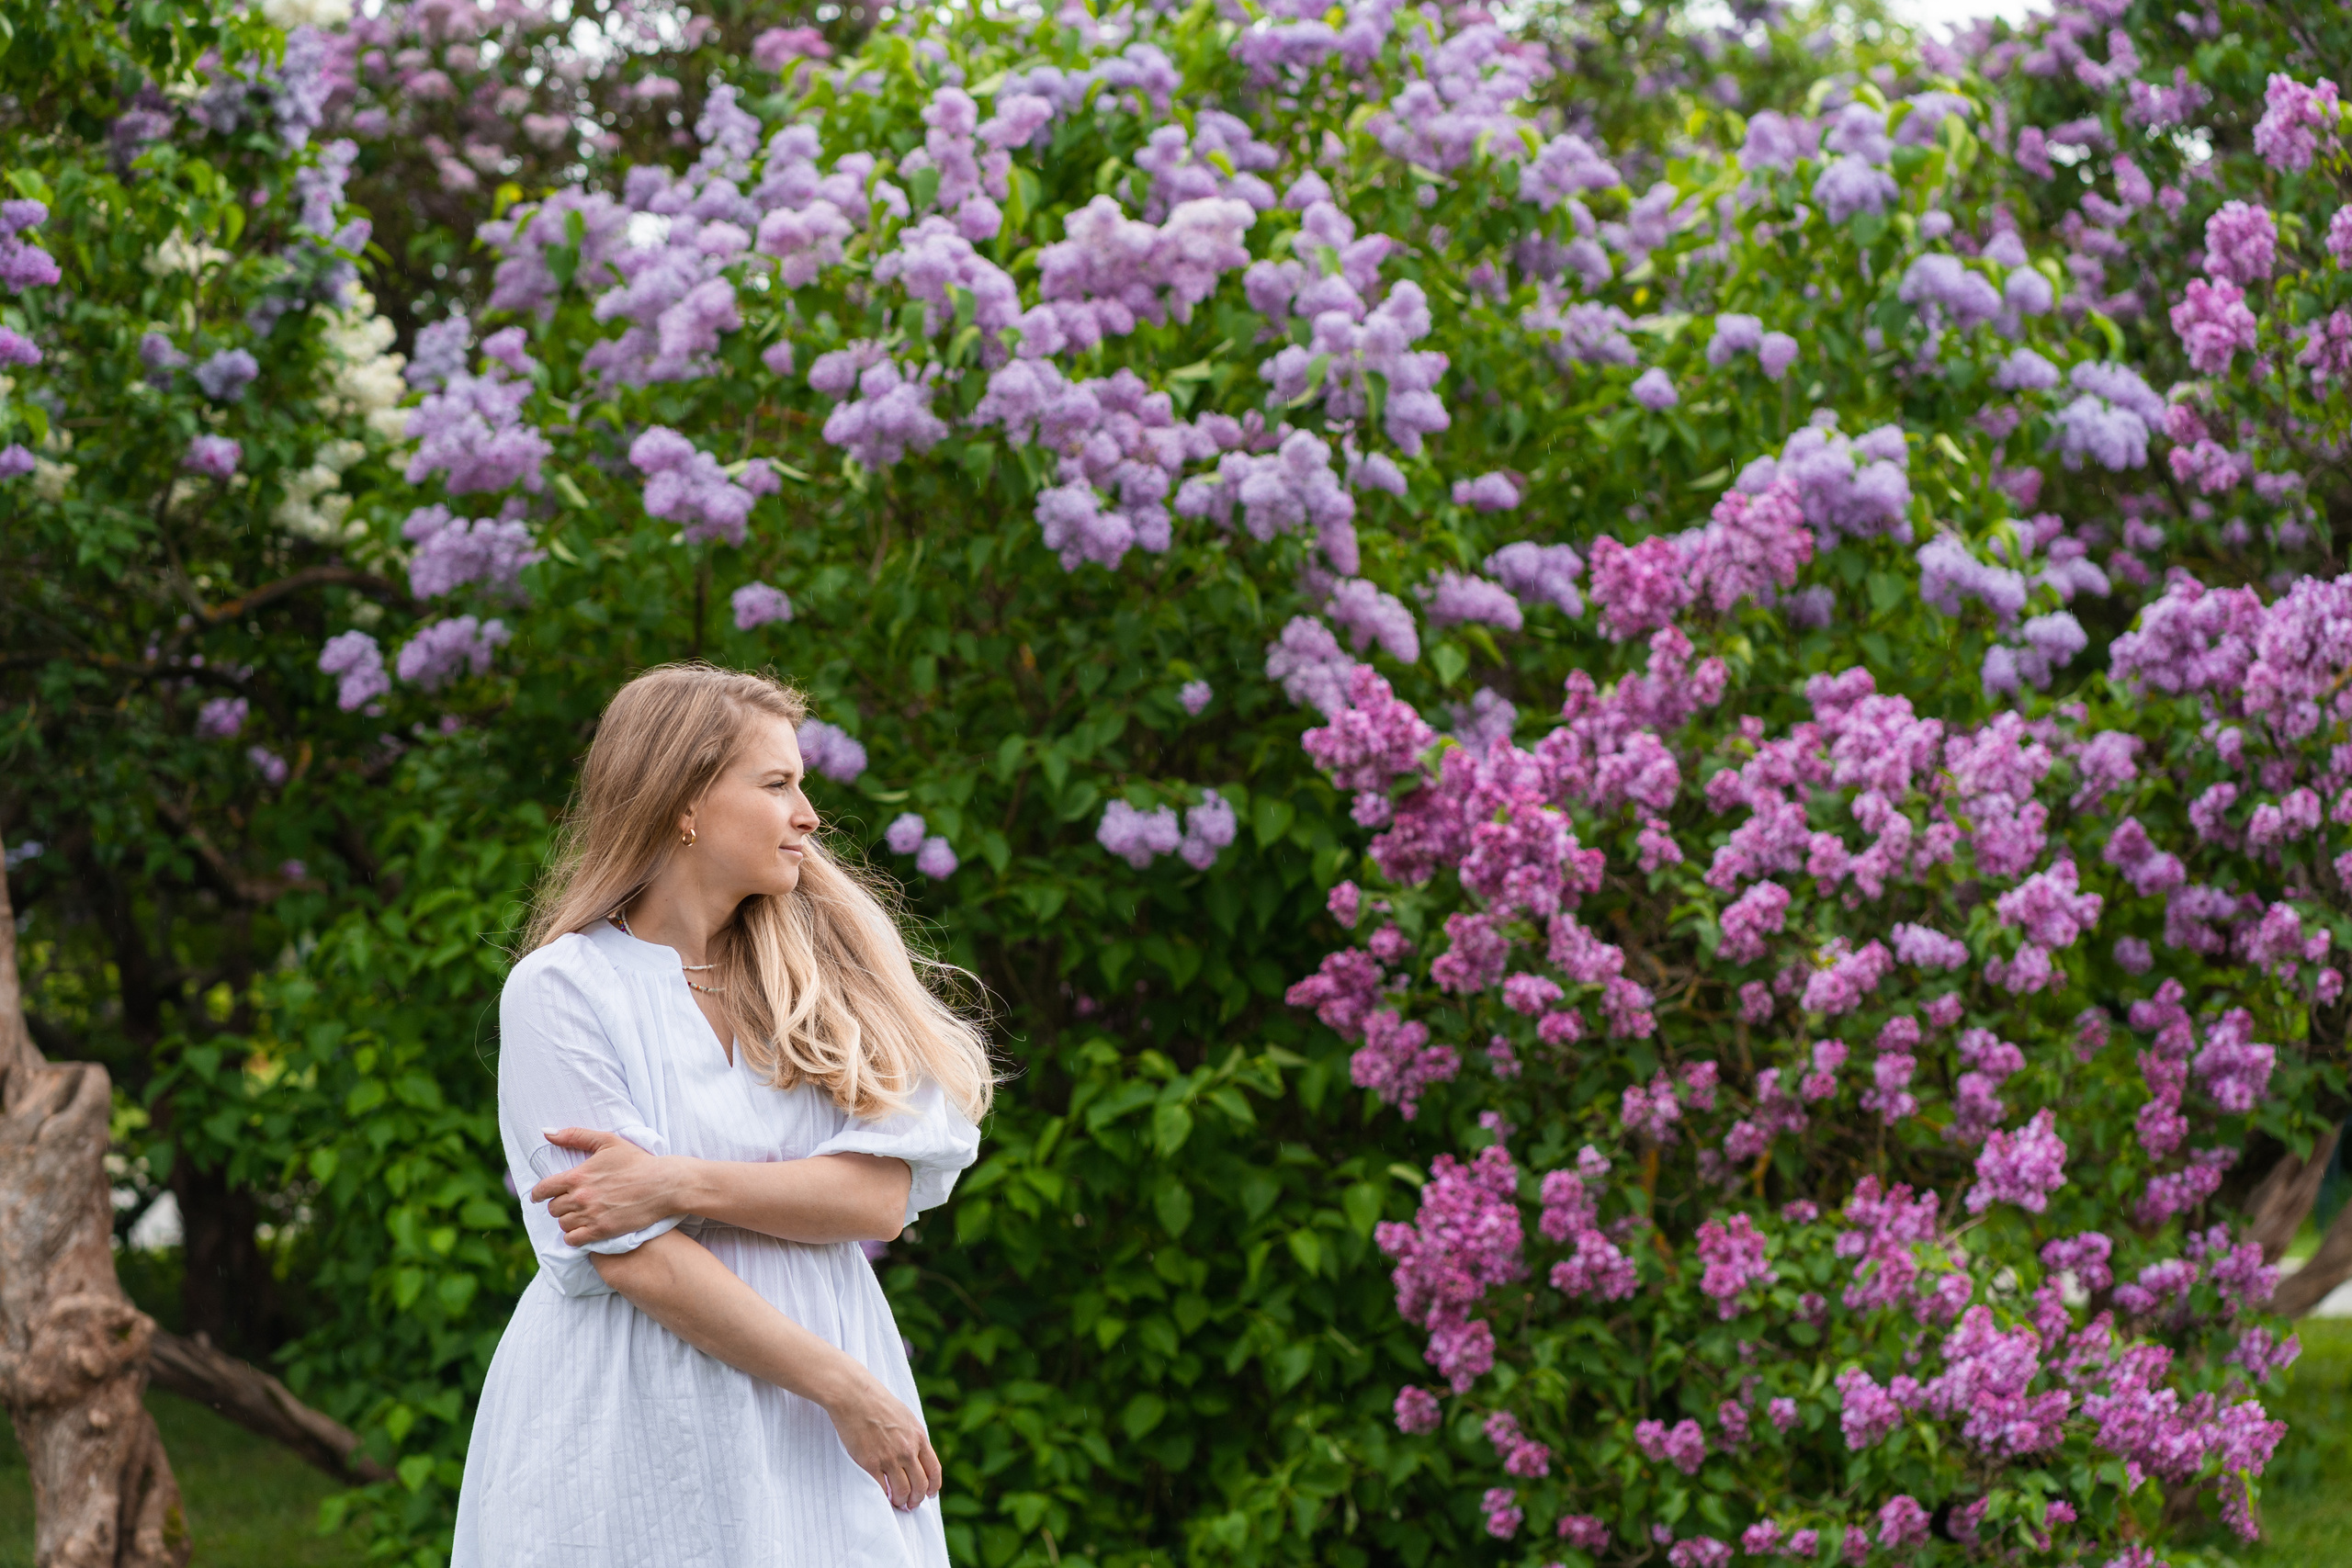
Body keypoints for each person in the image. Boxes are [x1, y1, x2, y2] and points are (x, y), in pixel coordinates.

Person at [453, 665, 993, 1567]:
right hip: (636, 1405)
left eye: (803, 786)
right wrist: (838, 1387)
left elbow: (878, 1198)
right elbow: (628, 1253)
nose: (809, 815)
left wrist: (672, 1181)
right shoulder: (563, 990)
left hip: (822, 1423)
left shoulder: (821, 981)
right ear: (685, 804)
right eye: (777, 785)